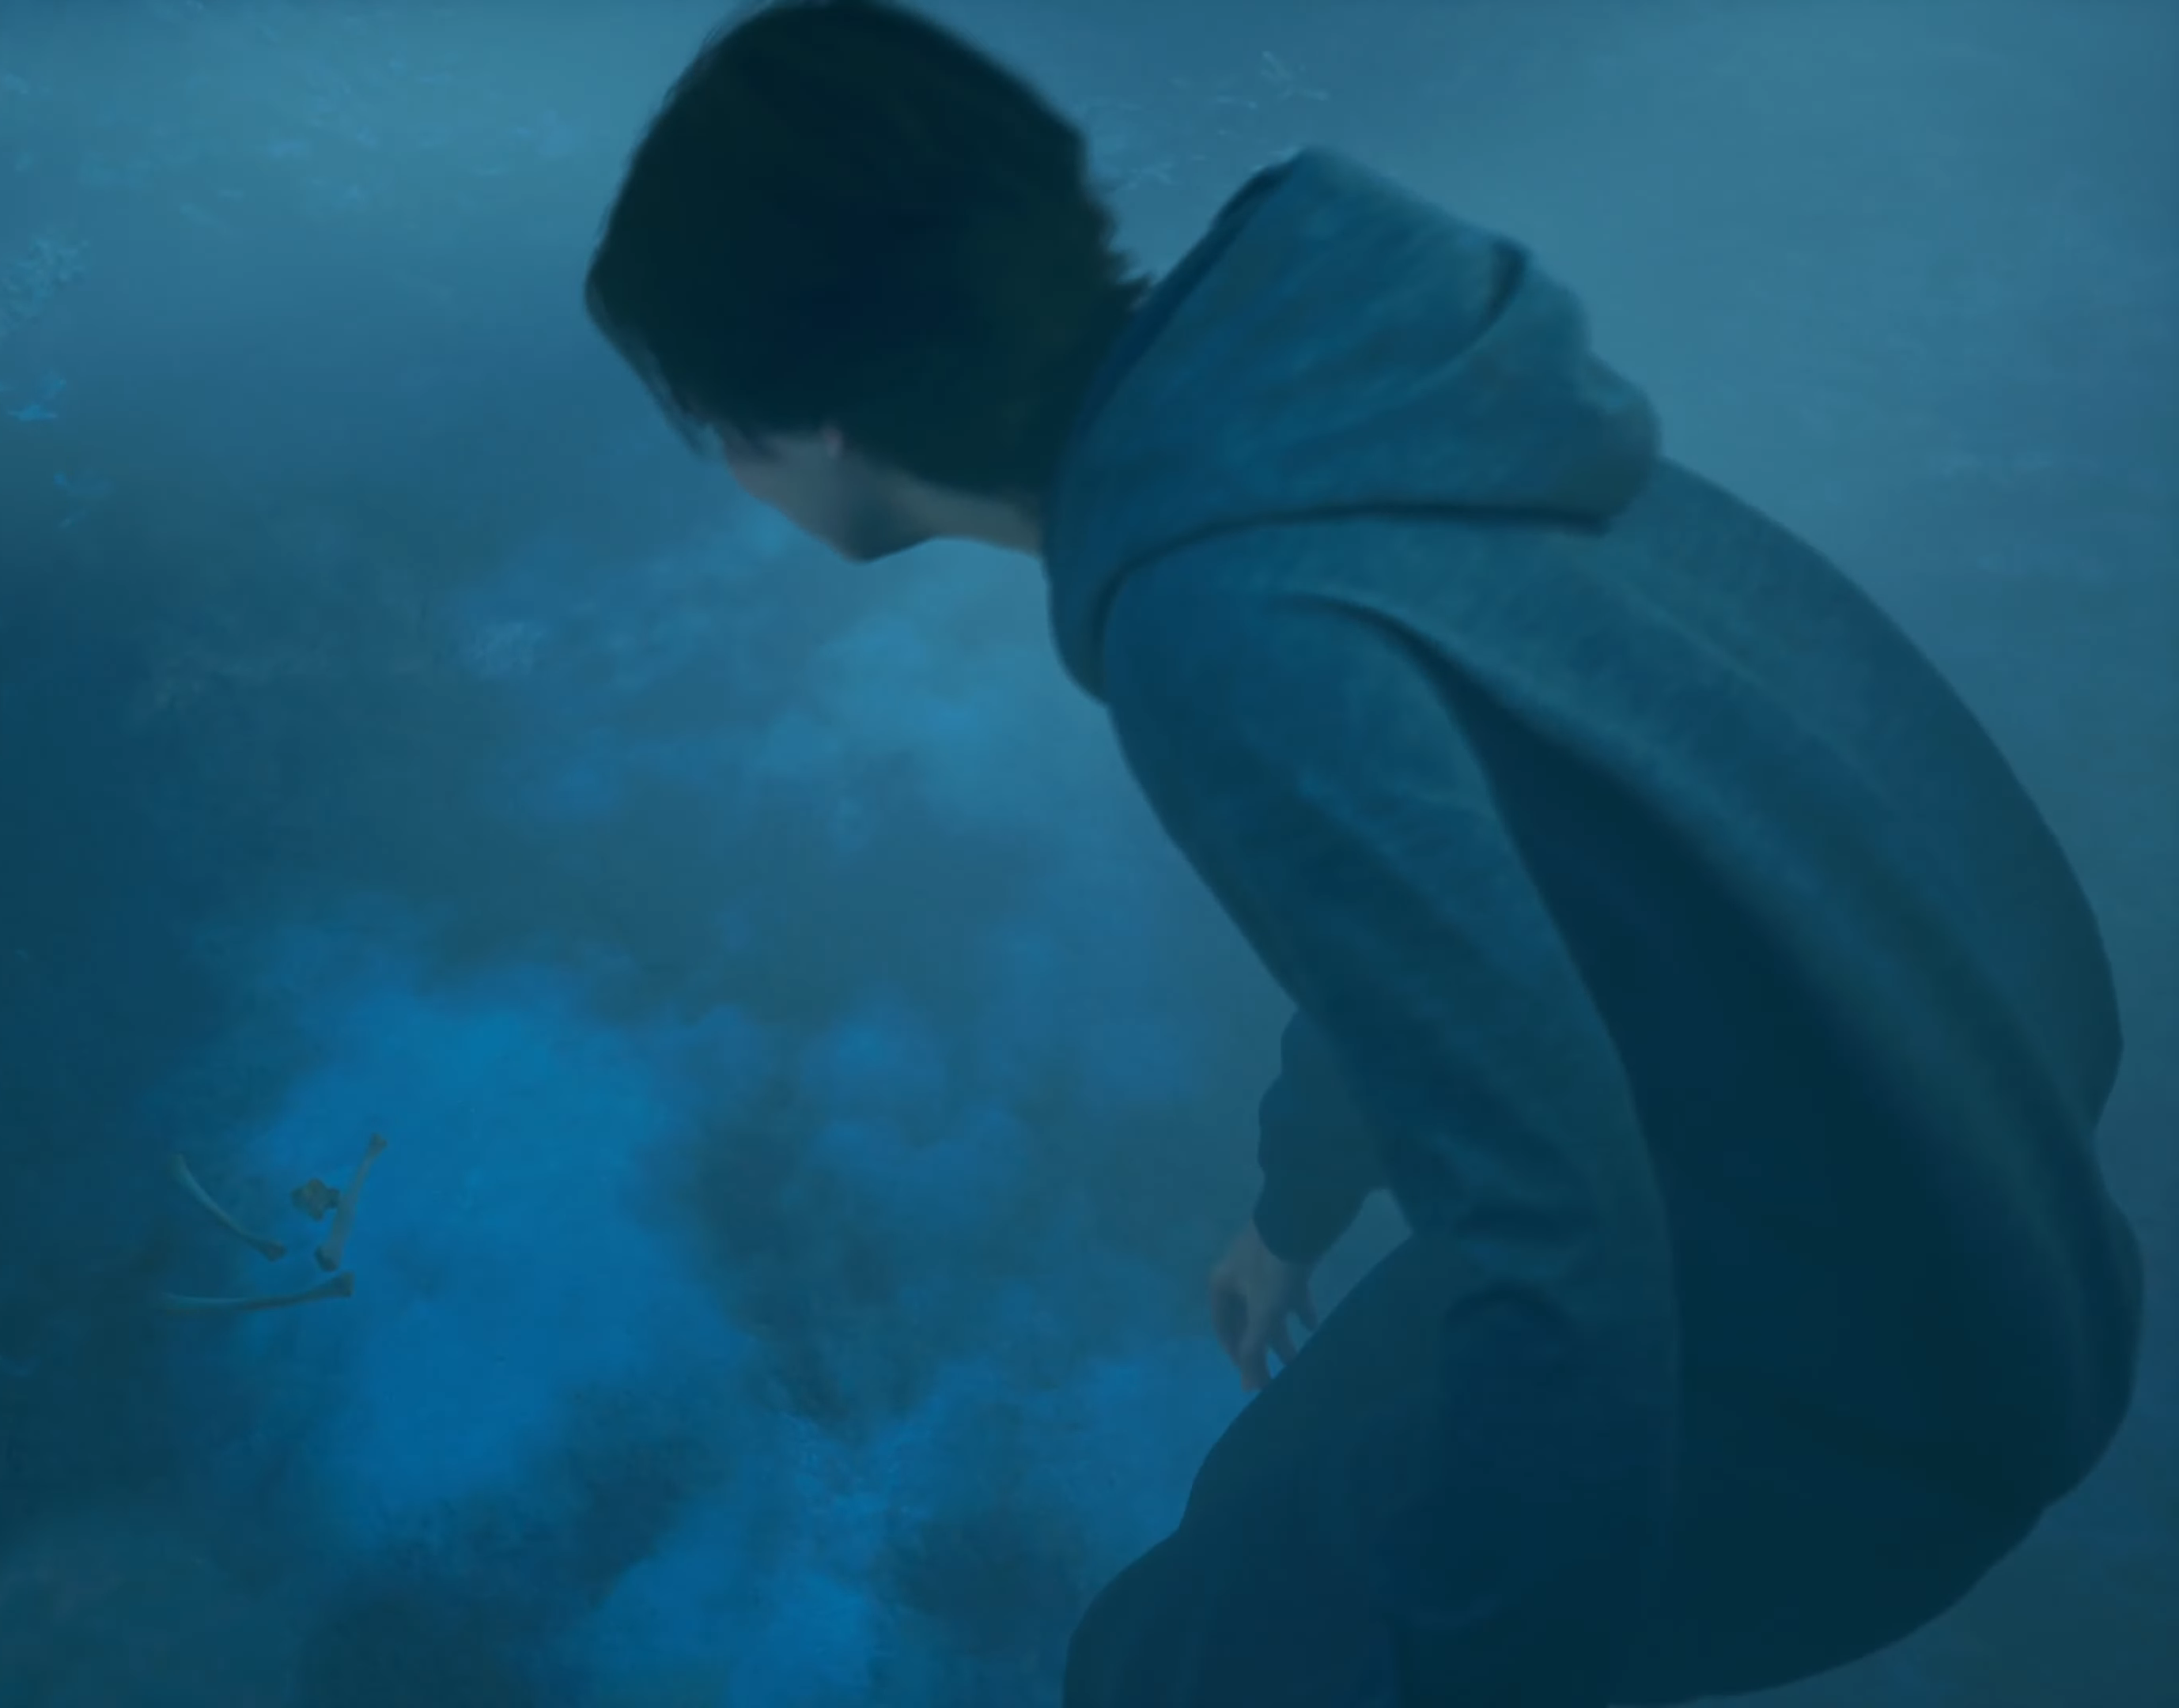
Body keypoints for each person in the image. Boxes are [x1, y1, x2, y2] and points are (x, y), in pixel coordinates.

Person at [579, 4, 2147, 1705]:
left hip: (1867, 1381)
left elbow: (1567, 1254)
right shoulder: (1355, 396)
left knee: (1160, 1673)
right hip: (1951, 1184)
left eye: (715, 420)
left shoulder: (1222, 623)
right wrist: (1298, 1201)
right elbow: (1452, 908)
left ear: (815, 419)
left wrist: (1470, 1670)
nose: (726, 462)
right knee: (1251, 1512)